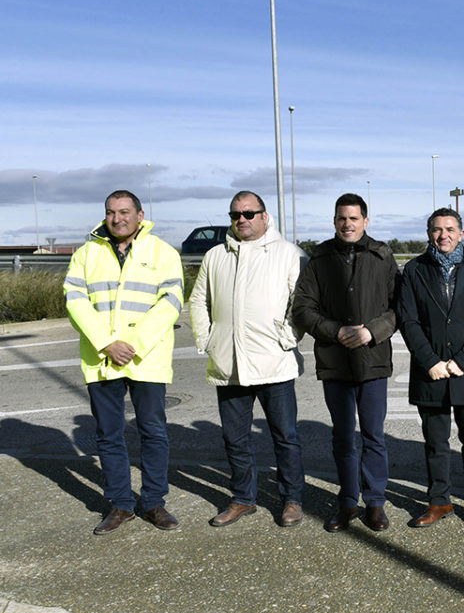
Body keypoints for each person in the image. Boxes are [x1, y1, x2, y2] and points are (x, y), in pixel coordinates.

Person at [64, 190, 183, 535]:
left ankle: (154, 502)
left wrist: (132, 344)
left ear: (140, 215)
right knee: (108, 435)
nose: (118, 219)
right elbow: (74, 300)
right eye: (112, 212)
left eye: (125, 212)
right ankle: (120, 504)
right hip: (102, 359)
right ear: (105, 215)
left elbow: (171, 301)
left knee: (153, 432)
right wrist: (106, 344)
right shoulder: (87, 253)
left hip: (146, 357)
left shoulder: (162, 252)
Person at [188, 191, 307, 528]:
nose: (241, 220)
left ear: (264, 217)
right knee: (235, 438)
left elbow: (301, 303)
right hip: (230, 365)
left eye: (249, 213)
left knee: (285, 436)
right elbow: (199, 301)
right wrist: (207, 340)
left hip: (274, 364)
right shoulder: (215, 256)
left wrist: (286, 338)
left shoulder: (289, 254)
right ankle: (243, 498)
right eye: (235, 214)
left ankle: (292, 499)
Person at [292, 193, 398, 533]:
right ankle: (348, 501)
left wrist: (371, 332)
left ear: (365, 221)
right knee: (342, 437)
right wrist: (336, 331)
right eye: (342, 218)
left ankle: (376, 503)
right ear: (334, 221)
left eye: (353, 218)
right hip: (335, 362)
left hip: (372, 361)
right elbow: (303, 309)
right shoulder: (320, 259)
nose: (347, 224)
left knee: (373, 435)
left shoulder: (382, 256)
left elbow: (398, 308)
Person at [397, 208, 464, 529]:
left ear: (462, 234)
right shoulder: (414, 270)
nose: (444, 235)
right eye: (437, 230)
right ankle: (440, 501)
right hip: (431, 373)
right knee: (436, 443)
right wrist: (431, 362)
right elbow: (408, 320)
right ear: (429, 234)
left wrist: (461, 362)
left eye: (450, 229)